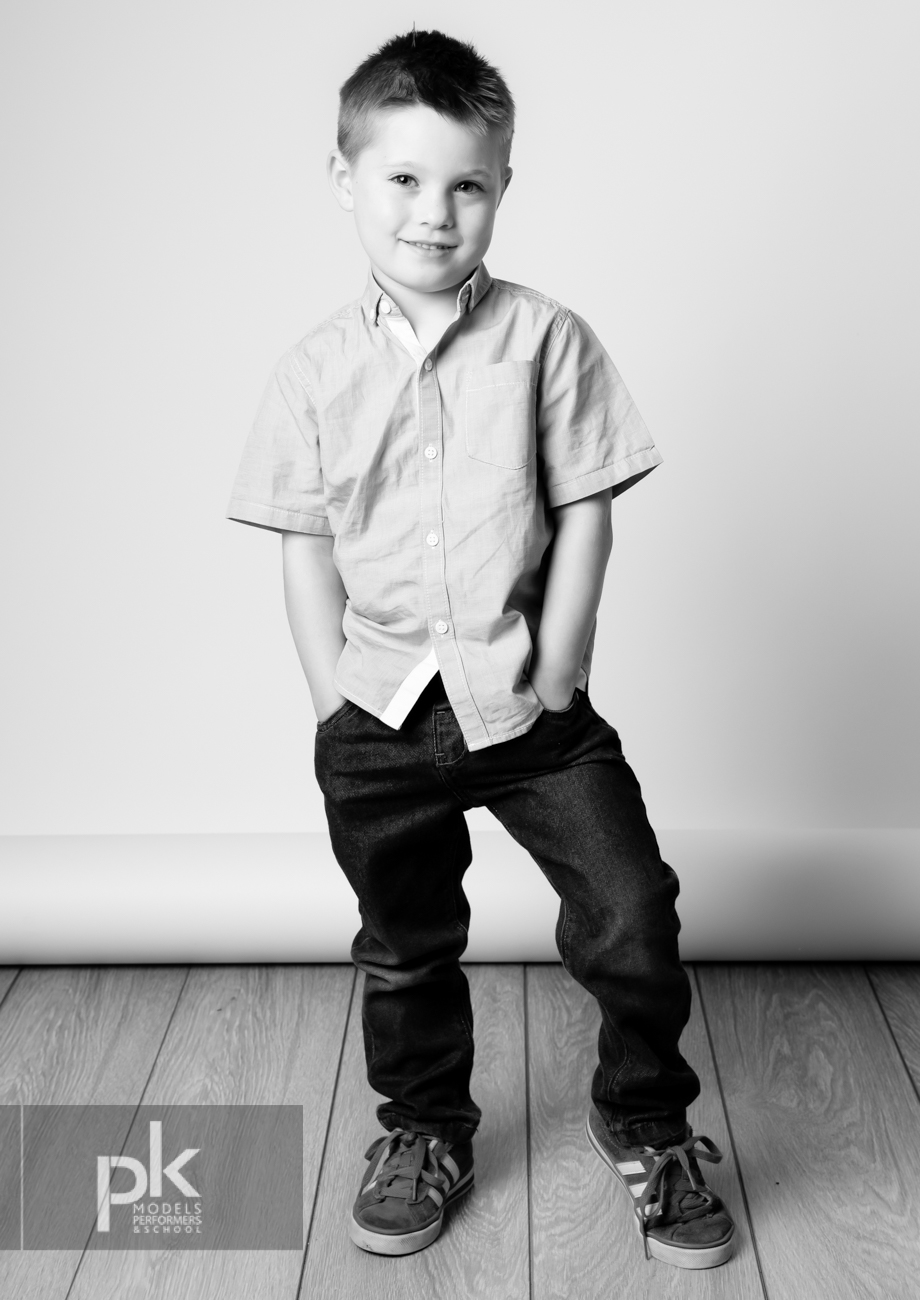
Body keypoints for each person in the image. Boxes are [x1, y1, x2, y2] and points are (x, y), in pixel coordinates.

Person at [226, 28, 735, 1271]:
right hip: (379, 714)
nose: (434, 212)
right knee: (404, 948)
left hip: (530, 711)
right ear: (344, 178)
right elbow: (302, 544)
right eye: (403, 178)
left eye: (466, 183)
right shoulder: (311, 373)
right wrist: (328, 699)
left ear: (502, 185)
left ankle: (647, 1122)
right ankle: (423, 1130)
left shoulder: (548, 341)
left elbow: (586, 510)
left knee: (630, 910)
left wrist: (558, 666)